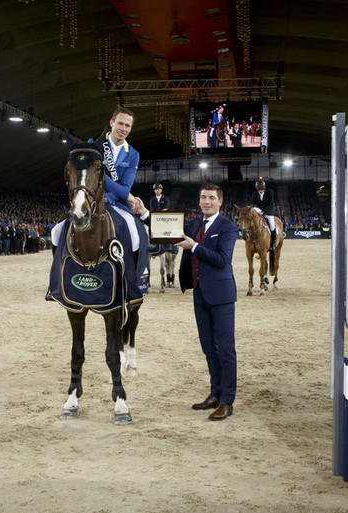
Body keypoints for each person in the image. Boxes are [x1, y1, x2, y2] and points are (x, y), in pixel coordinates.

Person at [130, 183, 237, 420]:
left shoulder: (228, 227)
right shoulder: (195, 223)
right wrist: (144, 213)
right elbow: (165, 229)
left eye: (211, 198)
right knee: (209, 348)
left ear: (220, 201)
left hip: (221, 296)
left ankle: (227, 400)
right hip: (199, 293)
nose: (206, 201)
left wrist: (195, 246)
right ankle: (215, 393)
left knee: (226, 350)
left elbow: (222, 260)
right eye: (203, 198)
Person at [51, 106, 141, 254]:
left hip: (117, 203)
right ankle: (57, 274)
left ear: (130, 129)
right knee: (56, 232)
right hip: (89, 200)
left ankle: (132, 275)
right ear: (112, 122)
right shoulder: (93, 145)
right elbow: (82, 175)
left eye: (127, 126)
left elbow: (125, 190)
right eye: (120, 123)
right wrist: (93, 174)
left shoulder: (132, 154)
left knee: (134, 232)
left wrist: (98, 175)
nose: (123, 128)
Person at [251, 178, 278, 251]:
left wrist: (263, 212)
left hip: (268, 211)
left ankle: (273, 244)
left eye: (262, 189)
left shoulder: (270, 192)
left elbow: (271, 204)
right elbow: (253, 203)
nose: (260, 191)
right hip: (259, 210)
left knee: (272, 226)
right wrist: (256, 210)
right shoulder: (255, 194)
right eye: (259, 190)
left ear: (264, 188)